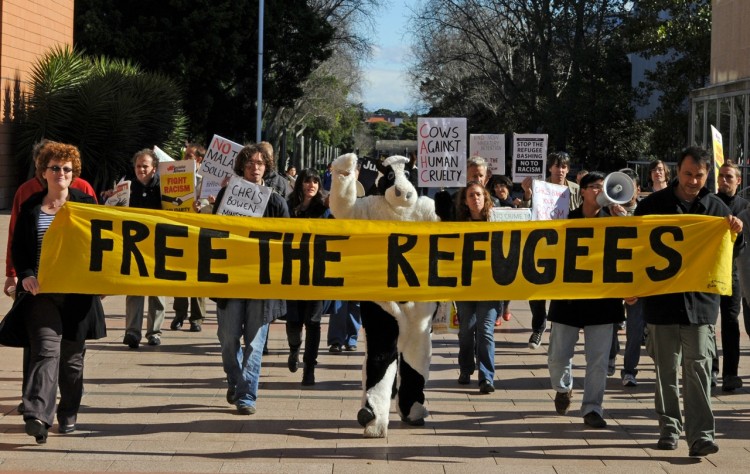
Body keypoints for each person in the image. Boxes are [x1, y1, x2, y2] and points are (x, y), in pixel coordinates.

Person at [633, 146, 743, 457]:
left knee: (699, 371)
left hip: (700, 307)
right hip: (662, 304)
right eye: (687, 174)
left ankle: (701, 436)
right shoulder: (653, 206)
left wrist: (738, 234)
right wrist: (632, 288)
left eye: (699, 175)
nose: (693, 181)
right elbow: (633, 249)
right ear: (676, 171)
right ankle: (669, 428)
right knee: (666, 371)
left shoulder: (717, 208)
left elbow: (731, 253)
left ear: (708, 175)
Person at [9, 141, 106, 443]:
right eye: (55, 168)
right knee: (45, 352)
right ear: (44, 172)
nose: (61, 173)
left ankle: (68, 412)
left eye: (67, 169)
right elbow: (20, 249)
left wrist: (103, 282)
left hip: (77, 295)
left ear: (73, 173)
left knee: (72, 361)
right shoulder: (31, 208)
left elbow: (102, 248)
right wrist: (23, 276)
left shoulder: (85, 206)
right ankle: (37, 415)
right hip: (42, 294)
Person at [213, 143, 289, 415]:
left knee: (255, 342)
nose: (255, 167)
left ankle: (247, 395)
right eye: (250, 163)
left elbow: (286, 243)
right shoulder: (226, 195)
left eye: (260, 163)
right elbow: (214, 233)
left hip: (262, 283)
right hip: (232, 278)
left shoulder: (278, 202)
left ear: (267, 167)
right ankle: (234, 380)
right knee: (228, 338)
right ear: (241, 167)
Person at [547, 171, 626, 429]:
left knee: (598, 360)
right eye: (594, 187)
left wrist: (624, 223)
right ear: (582, 191)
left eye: (604, 187)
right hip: (568, 299)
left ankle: (593, 408)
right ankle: (563, 387)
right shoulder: (565, 220)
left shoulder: (614, 221)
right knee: (558, 356)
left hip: (602, 301)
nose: (600, 191)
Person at [520, 152, 582, 350]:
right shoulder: (539, 187)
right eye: (556, 166)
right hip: (542, 245)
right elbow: (527, 213)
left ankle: (559, 328)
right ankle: (539, 327)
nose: (560, 170)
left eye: (564, 166)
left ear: (568, 169)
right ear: (550, 169)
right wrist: (528, 194)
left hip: (567, 247)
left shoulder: (576, 190)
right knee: (536, 289)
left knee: (562, 292)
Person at [454, 181, 503, 394]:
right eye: (471, 195)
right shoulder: (456, 225)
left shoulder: (498, 222)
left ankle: (486, 377)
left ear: (486, 198)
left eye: (479, 195)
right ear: (465, 201)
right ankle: (466, 368)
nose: (476, 199)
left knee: (485, 332)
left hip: (490, 286)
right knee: (466, 331)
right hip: (466, 287)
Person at [284, 168, 330, 386]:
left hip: (316, 274)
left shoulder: (325, 209)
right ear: (300, 183)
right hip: (292, 272)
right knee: (293, 320)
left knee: (313, 322)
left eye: (315, 181)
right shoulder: (287, 206)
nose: (311, 185)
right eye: (307, 181)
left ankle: (309, 368)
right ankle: (294, 349)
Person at [120, 149, 166, 348]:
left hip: (159, 245)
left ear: (154, 168)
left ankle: (154, 332)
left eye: (145, 166)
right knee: (134, 290)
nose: (141, 169)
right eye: (138, 166)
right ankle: (132, 332)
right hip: (135, 246)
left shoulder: (165, 189)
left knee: (157, 289)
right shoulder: (126, 188)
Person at [711, 161, 747, 391]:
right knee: (707, 324)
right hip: (709, 270)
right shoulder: (709, 203)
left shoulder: (745, 206)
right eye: (721, 176)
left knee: (731, 323)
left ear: (738, 180)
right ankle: (712, 369)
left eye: (729, 177)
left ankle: (730, 374)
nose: (724, 181)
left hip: (734, 272)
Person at [171, 143, 208, 332]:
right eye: (184, 155)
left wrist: (202, 205)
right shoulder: (177, 176)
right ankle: (179, 313)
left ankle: (197, 318)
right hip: (180, 230)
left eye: (189, 156)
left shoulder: (208, 179)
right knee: (179, 273)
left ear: (199, 159)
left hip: (200, 231)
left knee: (199, 274)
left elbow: (212, 202)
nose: (185, 158)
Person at [617, 169, 646, 387]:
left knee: (635, 329)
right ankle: (610, 356)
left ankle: (629, 370)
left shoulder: (647, 210)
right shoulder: (607, 211)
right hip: (613, 276)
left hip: (638, 279)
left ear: (638, 189)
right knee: (607, 324)